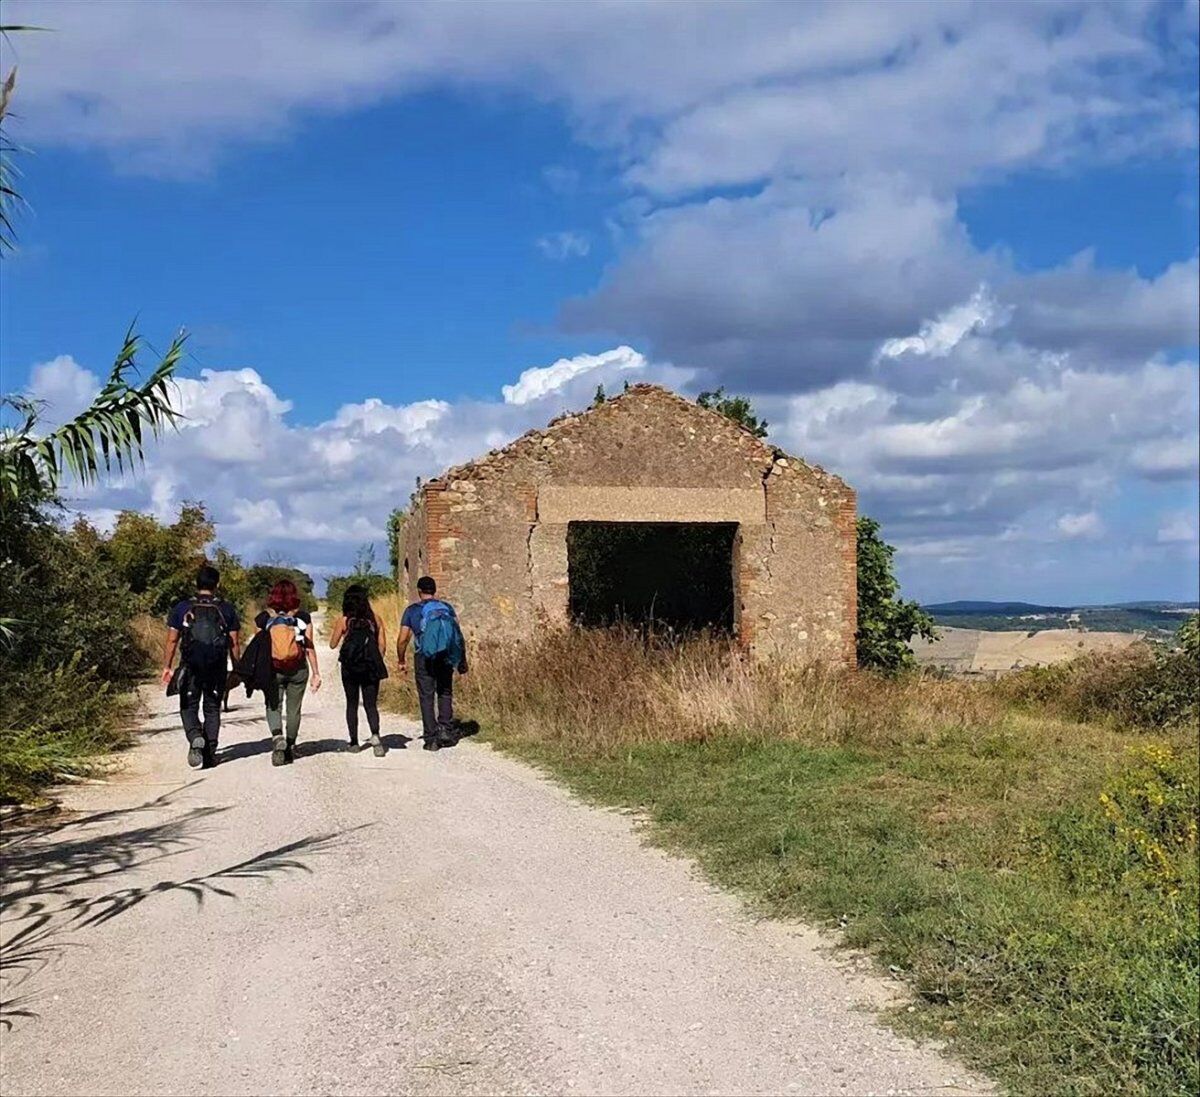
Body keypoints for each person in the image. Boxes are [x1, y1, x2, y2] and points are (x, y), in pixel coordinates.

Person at [161, 564, 241, 769]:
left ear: (196, 584)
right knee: (212, 708)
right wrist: (237, 669)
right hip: (217, 665)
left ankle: (195, 735)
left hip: (190, 665)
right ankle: (210, 753)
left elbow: (172, 640)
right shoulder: (226, 608)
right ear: (217, 584)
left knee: (188, 706)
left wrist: (167, 666)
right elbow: (234, 642)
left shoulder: (182, 608)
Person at [253, 579, 321, 766]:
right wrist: (316, 673)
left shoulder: (263, 619)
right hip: (297, 668)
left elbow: (260, 648)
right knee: (294, 709)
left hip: (273, 669)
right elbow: (309, 647)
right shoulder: (304, 618)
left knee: (273, 705)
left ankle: (277, 738)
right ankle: (290, 746)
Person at [396, 575, 466, 751]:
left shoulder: (412, 610)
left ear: (419, 591)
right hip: (445, 655)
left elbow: (403, 639)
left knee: (426, 696)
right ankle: (446, 730)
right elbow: (457, 633)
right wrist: (461, 659)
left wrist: (401, 659)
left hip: (423, 657)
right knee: (445, 691)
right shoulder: (447, 608)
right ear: (434, 590)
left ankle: (431, 738)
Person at [328, 583, 389, 756]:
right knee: (371, 704)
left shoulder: (344, 620)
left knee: (352, 704)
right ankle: (376, 736)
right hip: (370, 667)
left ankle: (354, 743)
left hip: (350, 668)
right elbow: (382, 646)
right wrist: (374, 659)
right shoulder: (375, 619)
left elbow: (332, 645)